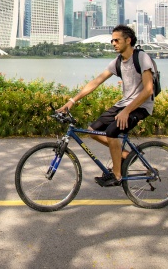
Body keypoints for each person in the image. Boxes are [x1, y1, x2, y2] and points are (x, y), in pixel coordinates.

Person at [58, 24, 154, 187]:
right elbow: (96, 82)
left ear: (128, 40)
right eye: (112, 40)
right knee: (92, 131)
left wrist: (127, 111)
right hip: (124, 105)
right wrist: (72, 101)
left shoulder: (142, 58)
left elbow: (148, 90)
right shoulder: (117, 62)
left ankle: (116, 176)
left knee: (111, 132)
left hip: (141, 106)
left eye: (117, 40)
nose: (113, 43)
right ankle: (126, 155)